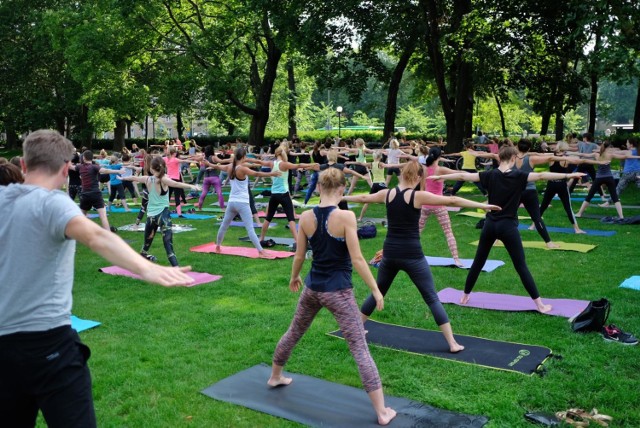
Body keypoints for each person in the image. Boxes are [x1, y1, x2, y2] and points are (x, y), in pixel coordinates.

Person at [0, 130, 194, 428]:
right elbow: (95, 236)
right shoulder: (54, 203)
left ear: (23, 166)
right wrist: (146, 268)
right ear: (67, 169)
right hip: (49, 346)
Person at [268, 168, 396, 426]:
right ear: (341, 190)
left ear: (317, 189)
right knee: (359, 348)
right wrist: (374, 288)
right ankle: (382, 412)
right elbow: (358, 258)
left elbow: (300, 256)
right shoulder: (346, 216)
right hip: (338, 292)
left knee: (294, 331)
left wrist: (294, 277)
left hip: (312, 289)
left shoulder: (305, 217)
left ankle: (275, 376)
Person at [345, 160, 499, 351]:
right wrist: (482, 206)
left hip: (390, 254)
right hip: (412, 255)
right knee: (431, 298)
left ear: (401, 174)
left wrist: (339, 199)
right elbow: (451, 200)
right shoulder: (417, 196)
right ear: (418, 177)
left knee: (379, 291)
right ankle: (452, 343)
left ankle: (354, 329)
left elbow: (361, 199)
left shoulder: (387, 193)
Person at [429, 146, 585, 313]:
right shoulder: (519, 176)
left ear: (499, 158)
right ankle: (540, 305)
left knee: (478, 261)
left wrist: (439, 176)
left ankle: (465, 295)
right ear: (512, 159)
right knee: (520, 266)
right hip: (508, 227)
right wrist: (569, 175)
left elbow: (462, 175)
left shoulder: (489, 174)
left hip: (490, 226)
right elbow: (541, 175)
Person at [120, 157, 200, 265]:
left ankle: (143, 257)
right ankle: (176, 268)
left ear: (152, 169)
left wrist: (122, 178)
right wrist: (192, 186)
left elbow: (134, 177)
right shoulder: (163, 179)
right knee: (168, 247)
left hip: (151, 217)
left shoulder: (147, 179)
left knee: (147, 244)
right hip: (163, 216)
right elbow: (176, 184)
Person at [212, 146, 281, 258]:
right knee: (250, 229)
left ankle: (218, 246)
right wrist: (271, 174)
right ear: (243, 156)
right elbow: (257, 174)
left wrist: (208, 164)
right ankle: (261, 251)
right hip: (242, 203)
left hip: (231, 202)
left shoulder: (230, 166)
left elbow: (217, 166)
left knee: (224, 225)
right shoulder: (242, 169)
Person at [538, 141, 605, 233]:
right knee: (568, 208)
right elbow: (583, 160)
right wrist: (598, 162)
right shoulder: (565, 158)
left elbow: (536, 155)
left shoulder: (551, 157)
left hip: (551, 184)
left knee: (544, 206)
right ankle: (576, 229)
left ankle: (533, 225)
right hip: (561, 185)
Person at [418, 147, 466, 266]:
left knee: (417, 231)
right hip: (438, 204)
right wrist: (473, 174)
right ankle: (456, 259)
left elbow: (422, 188)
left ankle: (406, 254)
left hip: (425, 204)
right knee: (448, 231)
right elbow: (459, 174)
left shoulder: (424, 169)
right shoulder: (441, 169)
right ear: (439, 157)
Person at [258, 145, 314, 246]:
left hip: (274, 195)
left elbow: (259, 162)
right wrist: (313, 165)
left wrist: (244, 160)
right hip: (284, 194)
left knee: (268, 218)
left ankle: (261, 238)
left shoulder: (272, 163)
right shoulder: (284, 164)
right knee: (291, 218)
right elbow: (298, 165)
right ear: (283, 153)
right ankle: (297, 241)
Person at [576, 141, 640, 219]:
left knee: (589, 196)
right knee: (615, 197)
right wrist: (637, 157)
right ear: (609, 147)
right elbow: (625, 157)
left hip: (599, 178)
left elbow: (583, 154)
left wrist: (570, 154)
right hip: (609, 177)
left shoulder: (596, 154)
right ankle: (621, 216)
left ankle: (579, 213)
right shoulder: (610, 155)